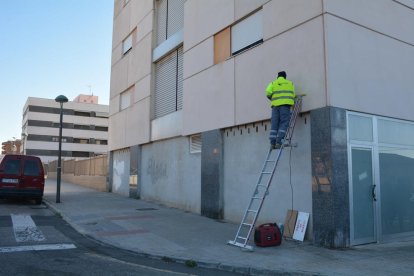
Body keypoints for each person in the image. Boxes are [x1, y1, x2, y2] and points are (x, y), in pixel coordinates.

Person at [265, 71, 296, 149]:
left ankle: (272, 143)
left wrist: (273, 99)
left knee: (274, 123)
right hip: (285, 106)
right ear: (285, 77)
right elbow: (293, 95)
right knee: (284, 122)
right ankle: (278, 141)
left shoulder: (273, 83)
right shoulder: (290, 83)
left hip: (275, 107)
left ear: (277, 77)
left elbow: (268, 93)